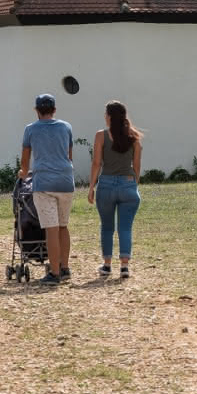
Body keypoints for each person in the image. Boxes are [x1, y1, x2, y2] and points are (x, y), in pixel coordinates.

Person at [20, 92, 74, 285]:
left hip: (44, 183)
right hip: (66, 181)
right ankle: (65, 267)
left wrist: (23, 172)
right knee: (63, 226)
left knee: (51, 229)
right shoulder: (66, 127)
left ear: (37, 111)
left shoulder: (30, 130)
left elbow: (25, 162)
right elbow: (68, 155)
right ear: (54, 110)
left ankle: (54, 273)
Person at [87, 100, 142, 278]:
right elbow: (137, 165)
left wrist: (91, 187)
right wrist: (134, 182)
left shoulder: (101, 135)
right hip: (128, 184)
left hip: (107, 185)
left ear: (109, 116)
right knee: (125, 228)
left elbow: (96, 163)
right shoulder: (133, 136)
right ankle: (125, 266)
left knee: (107, 227)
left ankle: (107, 265)